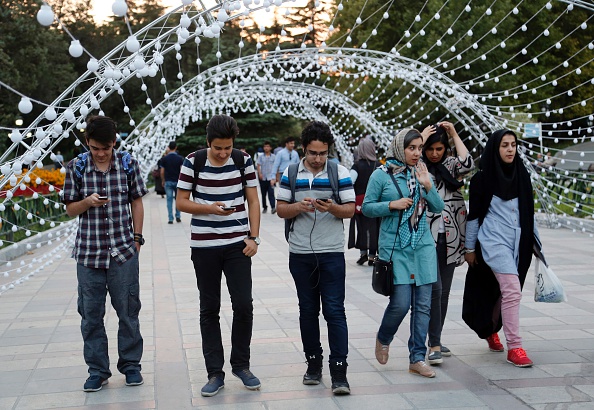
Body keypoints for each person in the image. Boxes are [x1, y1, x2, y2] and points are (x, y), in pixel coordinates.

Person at [175, 114, 262, 397]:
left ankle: (241, 365)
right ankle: (215, 372)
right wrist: (210, 209)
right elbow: (181, 202)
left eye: (227, 147)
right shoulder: (193, 161)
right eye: (218, 148)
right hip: (204, 247)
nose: (224, 153)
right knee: (209, 309)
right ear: (207, 142)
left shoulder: (242, 160)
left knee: (244, 305)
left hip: (237, 245)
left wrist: (254, 237)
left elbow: (252, 200)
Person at [62, 115, 148, 392]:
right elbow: (70, 209)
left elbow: (137, 201)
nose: (100, 154)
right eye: (95, 148)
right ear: (87, 143)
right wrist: (87, 201)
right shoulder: (76, 167)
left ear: (114, 143)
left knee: (128, 311)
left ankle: (131, 366)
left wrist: (136, 238)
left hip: (123, 251)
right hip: (89, 253)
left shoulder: (127, 163)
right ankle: (97, 371)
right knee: (90, 315)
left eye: (106, 148)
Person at [276, 121, 355, 395]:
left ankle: (339, 371)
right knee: (308, 311)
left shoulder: (339, 171)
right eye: (313, 153)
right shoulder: (291, 172)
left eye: (323, 153)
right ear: (303, 149)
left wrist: (332, 207)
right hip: (300, 254)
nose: (318, 159)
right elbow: (281, 210)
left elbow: (350, 210)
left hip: (331, 252)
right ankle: (313, 363)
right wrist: (299, 206)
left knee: (334, 311)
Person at [362, 128, 444, 379]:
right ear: (400, 148)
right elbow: (366, 208)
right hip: (396, 249)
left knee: (423, 306)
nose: (417, 153)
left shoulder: (421, 172)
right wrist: (391, 205)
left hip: (423, 248)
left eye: (420, 148)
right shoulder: (381, 175)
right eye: (412, 148)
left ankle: (417, 358)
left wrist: (428, 186)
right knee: (400, 304)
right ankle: (384, 337)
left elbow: (438, 208)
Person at [463, 129, 540, 368]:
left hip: (519, 242)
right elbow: (474, 217)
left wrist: (536, 241)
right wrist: (469, 249)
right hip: (494, 242)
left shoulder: (522, 175)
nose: (509, 149)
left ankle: (489, 328)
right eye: (504, 145)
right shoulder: (482, 179)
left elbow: (529, 212)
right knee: (512, 290)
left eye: (513, 145)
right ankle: (515, 347)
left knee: (502, 291)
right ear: (495, 148)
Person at [419, 122, 474, 365]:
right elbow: (399, 164)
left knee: (443, 294)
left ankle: (435, 339)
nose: (434, 153)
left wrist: (453, 133)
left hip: (451, 239)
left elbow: (469, 164)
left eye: (439, 149)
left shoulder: (450, 166)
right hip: (425, 239)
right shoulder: (417, 167)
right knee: (434, 290)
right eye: (430, 149)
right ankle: (435, 343)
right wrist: (419, 138)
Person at [348, 137, 381, 266]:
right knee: (375, 228)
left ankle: (363, 254)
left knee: (362, 228)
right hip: (376, 203)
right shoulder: (379, 166)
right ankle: (373, 255)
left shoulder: (356, 166)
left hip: (361, 204)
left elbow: (350, 182)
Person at [160, 141, 185, 224]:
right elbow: (182, 171)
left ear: (169, 147)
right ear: (176, 147)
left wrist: (163, 180)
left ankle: (170, 218)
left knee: (169, 200)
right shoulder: (180, 158)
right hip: (178, 182)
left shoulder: (164, 159)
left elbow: (162, 171)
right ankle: (178, 216)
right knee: (178, 199)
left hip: (168, 181)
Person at [256, 141, 276, 213]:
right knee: (263, 194)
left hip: (271, 178)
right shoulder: (261, 156)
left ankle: (273, 207)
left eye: (268, 146)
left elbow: (276, 166)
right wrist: (259, 174)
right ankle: (264, 207)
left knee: (271, 193)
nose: (266, 148)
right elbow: (258, 165)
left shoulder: (274, 156)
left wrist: (275, 177)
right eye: (265, 146)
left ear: (270, 148)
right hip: (263, 177)